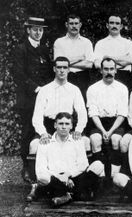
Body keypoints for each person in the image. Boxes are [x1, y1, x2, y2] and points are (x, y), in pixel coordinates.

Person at [26, 112, 104, 207]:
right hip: (55, 180)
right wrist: (60, 177)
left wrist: (68, 175)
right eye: (60, 124)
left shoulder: (77, 141)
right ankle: (72, 195)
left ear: (71, 126)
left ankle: (66, 196)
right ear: (55, 125)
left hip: (74, 178)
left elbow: (83, 165)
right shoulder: (45, 142)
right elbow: (40, 169)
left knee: (98, 165)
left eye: (67, 124)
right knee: (44, 178)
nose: (64, 127)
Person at [12, 17, 52, 182]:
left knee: (43, 130)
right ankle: (26, 169)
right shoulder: (20, 49)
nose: (38, 32)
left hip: (44, 98)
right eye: (34, 29)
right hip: (28, 98)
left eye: (40, 30)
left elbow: (49, 73)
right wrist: (37, 88)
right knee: (28, 132)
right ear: (28, 30)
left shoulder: (43, 49)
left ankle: (42, 167)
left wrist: (48, 90)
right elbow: (18, 74)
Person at [30, 56, 88, 157]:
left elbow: (82, 113)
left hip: (68, 126)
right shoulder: (44, 90)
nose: (62, 70)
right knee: (34, 145)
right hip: (49, 127)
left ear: (69, 69)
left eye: (65, 67)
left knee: (85, 142)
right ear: (54, 69)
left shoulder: (74, 90)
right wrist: (43, 133)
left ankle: (85, 173)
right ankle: (33, 172)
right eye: (59, 67)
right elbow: (37, 116)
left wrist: (78, 130)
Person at [87, 57, 129, 179]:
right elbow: (93, 113)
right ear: (101, 70)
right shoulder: (93, 88)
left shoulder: (122, 88)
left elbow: (122, 113)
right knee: (95, 139)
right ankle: (99, 176)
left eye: (111, 69)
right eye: (106, 69)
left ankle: (113, 177)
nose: (109, 72)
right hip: (98, 122)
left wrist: (110, 132)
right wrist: (103, 131)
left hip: (116, 122)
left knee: (116, 139)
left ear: (116, 71)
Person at [54, 14, 94, 100]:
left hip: (83, 78)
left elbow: (89, 65)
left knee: (81, 104)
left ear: (80, 25)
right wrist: (79, 58)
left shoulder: (87, 42)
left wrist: (67, 62)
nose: (74, 26)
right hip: (65, 76)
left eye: (76, 23)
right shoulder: (59, 42)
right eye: (71, 23)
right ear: (66, 25)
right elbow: (58, 63)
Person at [94, 15, 132, 90]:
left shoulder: (128, 43)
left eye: (117, 23)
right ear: (107, 25)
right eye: (112, 23)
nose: (114, 26)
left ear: (121, 26)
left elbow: (131, 60)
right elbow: (97, 64)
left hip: (124, 77)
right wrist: (121, 63)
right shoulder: (100, 43)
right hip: (106, 76)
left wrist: (109, 58)